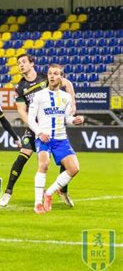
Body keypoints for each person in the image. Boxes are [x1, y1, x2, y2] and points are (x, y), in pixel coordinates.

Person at [0, 54, 76, 207]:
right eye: (18, 63)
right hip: (35, 128)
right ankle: (8, 192)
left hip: (53, 126)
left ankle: (63, 190)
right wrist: (35, 127)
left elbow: (67, 84)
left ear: (31, 63)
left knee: (64, 160)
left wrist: (73, 104)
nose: (21, 65)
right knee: (22, 157)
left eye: (23, 62)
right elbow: (21, 110)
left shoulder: (45, 77)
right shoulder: (20, 87)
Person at [27, 64, 84, 214]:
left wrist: (75, 120)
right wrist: (39, 133)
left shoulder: (66, 98)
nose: (52, 76)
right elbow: (30, 119)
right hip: (44, 138)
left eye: (55, 73)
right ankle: (38, 203)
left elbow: (67, 118)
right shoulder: (38, 96)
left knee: (74, 168)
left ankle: (49, 193)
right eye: (50, 73)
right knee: (44, 164)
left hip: (61, 139)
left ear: (61, 77)